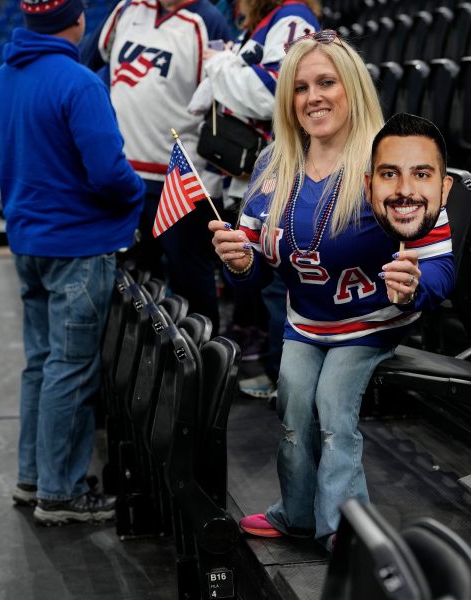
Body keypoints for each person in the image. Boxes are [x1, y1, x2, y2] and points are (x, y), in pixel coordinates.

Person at [209, 34, 456, 551]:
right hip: (306, 321)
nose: (313, 97)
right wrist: (239, 262)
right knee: (293, 406)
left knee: (332, 407)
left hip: (371, 322)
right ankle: (297, 514)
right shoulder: (272, 162)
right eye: (300, 87)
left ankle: (346, 527)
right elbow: (255, 273)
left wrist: (413, 288)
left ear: (353, 88)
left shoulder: (391, 158)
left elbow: (440, 265)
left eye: (326, 82)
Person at [0, 0, 145, 525]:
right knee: (70, 369)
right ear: (77, 20)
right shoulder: (80, 83)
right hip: (78, 247)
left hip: (27, 244)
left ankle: (33, 478)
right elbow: (109, 173)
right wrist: (137, 193)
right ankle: (60, 492)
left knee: (42, 363)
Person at [189, 0, 320, 393]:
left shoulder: (292, 16)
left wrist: (221, 65)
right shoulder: (262, 23)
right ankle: (278, 372)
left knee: (281, 284)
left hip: (289, 173)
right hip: (262, 173)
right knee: (259, 278)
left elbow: (273, 92)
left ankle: (288, 382)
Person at [91, 0, 231, 330]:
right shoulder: (126, 9)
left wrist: (212, 177)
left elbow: (224, 102)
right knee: (133, 288)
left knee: (191, 282)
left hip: (179, 180)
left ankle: (205, 358)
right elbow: (88, 63)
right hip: (125, 177)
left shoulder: (207, 21)